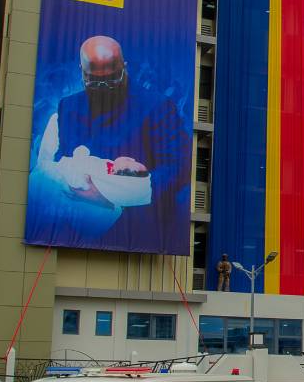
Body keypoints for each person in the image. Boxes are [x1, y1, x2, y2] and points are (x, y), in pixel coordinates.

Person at [29, 35, 191, 250]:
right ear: (82, 71)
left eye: (112, 79)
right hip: (69, 225)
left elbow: (179, 167)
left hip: (133, 230)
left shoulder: (157, 106)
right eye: (94, 82)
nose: (104, 87)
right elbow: (59, 158)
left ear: (124, 67)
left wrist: (110, 196)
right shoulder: (68, 106)